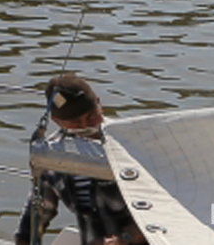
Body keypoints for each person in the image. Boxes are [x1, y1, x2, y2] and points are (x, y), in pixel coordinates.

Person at [14, 74, 146, 245]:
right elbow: (38, 210)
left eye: (91, 116)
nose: (86, 125)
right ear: (57, 121)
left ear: (99, 103)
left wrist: (123, 239)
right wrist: (24, 239)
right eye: (76, 121)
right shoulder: (51, 156)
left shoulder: (132, 144)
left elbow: (168, 212)